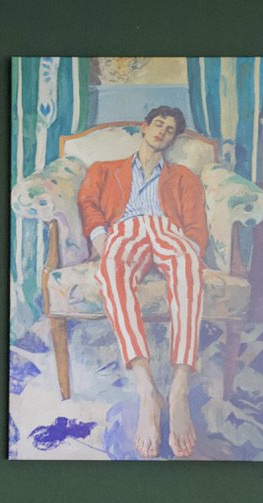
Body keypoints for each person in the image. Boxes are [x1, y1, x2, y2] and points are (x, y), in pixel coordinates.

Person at [77, 106, 207, 458]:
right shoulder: (105, 170)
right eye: (159, 124)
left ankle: (179, 388)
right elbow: (88, 201)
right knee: (112, 269)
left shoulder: (183, 177)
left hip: (167, 229)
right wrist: (101, 236)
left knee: (187, 264)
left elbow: (195, 223)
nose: (163, 131)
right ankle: (147, 389)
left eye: (170, 129)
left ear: (173, 138)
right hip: (126, 229)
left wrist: (190, 252)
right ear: (144, 127)